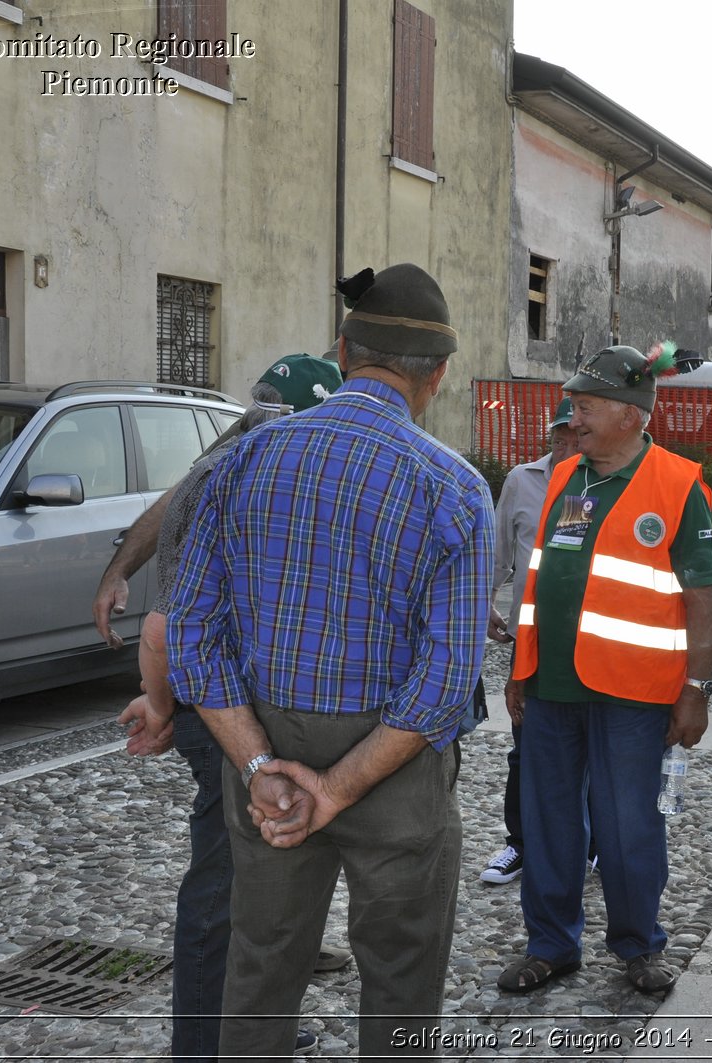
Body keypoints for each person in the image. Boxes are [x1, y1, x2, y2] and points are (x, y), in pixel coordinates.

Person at [164, 263, 493, 1061]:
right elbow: (446, 682)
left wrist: (258, 765)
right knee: (403, 981)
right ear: (439, 375)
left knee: (260, 967)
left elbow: (191, 638)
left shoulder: (243, 459)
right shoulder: (454, 487)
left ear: (343, 351)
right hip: (396, 770)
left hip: (265, 750)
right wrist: (341, 786)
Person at [94, 353, 343, 1063]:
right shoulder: (247, 477)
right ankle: (205, 1044)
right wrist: (163, 702)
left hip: (226, 708)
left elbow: (165, 508)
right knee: (224, 887)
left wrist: (118, 571)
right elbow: (162, 629)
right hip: (228, 715)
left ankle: (250, 1030)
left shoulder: (221, 460)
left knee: (266, 886)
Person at [498, 343, 712, 995]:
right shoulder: (568, 479)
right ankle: (551, 943)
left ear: (630, 413)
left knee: (629, 824)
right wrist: (520, 664)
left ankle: (638, 944)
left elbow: (701, 600)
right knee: (548, 822)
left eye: (587, 405)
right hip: (551, 687)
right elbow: (543, 576)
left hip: (634, 692)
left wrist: (696, 689)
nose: (574, 414)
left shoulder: (677, 484)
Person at [481, 397, 580, 885]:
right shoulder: (523, 479)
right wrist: (486, 603)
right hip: (529, 637)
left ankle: (592, 843)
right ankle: (518, 844)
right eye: (558, 434)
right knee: (524, 748)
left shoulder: (592, 485)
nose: (565, 442)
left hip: (587, 639)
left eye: (573, 433)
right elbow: (500, 550)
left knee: (589, 747)